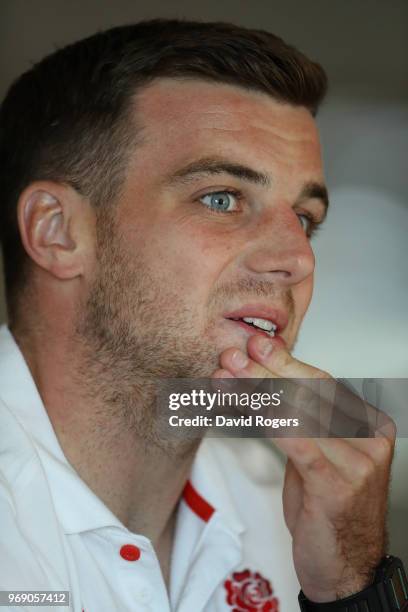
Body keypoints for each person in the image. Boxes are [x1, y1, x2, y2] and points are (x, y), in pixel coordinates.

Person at [0, 18, 405, 612]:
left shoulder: (281, 501)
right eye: (222, 199)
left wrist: (350, 584)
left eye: (306, 218)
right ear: (57, 232)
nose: (296, 259)